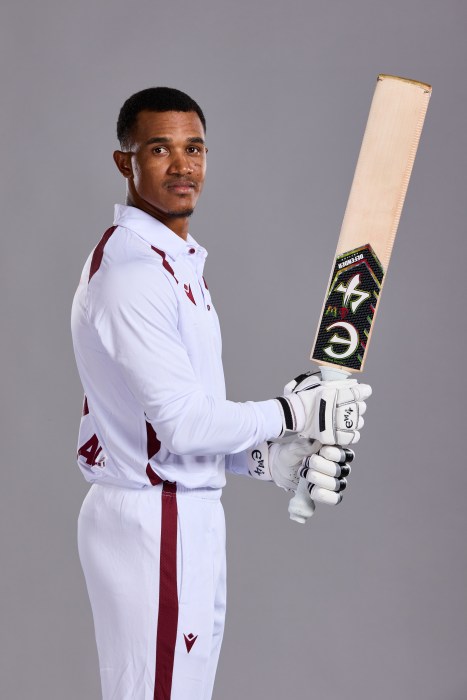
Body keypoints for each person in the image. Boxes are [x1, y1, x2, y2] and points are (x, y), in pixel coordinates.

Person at [71, 87, 371, 700]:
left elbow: (173, 422)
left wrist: (265, 458)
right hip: (155, 522)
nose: (183, 166)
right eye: (160, 149)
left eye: (194, 148)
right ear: (125, 162)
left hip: (188, 514)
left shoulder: (174, 262)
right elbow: (182, 426)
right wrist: (294, 411)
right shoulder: (133, 276)